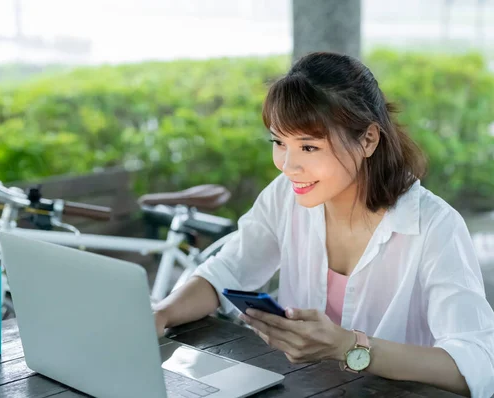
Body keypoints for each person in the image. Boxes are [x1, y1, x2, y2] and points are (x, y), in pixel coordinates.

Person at [152, 52, 494, 397]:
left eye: (309, 147)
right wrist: (162, 314)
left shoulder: (435, 227)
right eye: (279, 143)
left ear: (368, 140)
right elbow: (228, 269)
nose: (288, 165)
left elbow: (477, 364)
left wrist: (349, 346)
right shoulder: (286, 196)